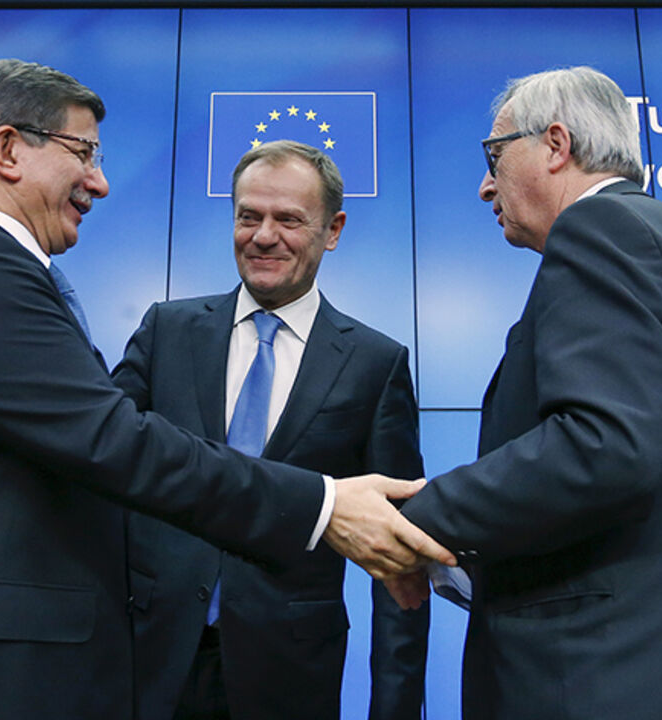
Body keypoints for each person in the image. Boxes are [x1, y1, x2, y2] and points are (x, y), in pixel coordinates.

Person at [0, 59, 453, 720]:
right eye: (84, 153)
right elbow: (116, 442)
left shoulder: (372, 360)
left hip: (255, 673)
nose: (98, 182)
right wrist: (323, 503)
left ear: (331, 230)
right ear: (8, 150)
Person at [393, 66, 662, 718]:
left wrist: (418, 520)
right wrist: (453, 559)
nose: (485, 184)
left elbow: (604, 447)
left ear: (554, 144)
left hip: (637, 678)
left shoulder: (602, 230)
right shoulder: (655, 233)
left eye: (494, 155)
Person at [112, 140, 429, 720]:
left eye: (288, 220)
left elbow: (398, 553)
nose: (262, 236)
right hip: (147, 661)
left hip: (290, 677)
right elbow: (100, 467)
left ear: (332, 230)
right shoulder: (166, 331)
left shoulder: (375, 363)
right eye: (248, 216)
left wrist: (397, 706)